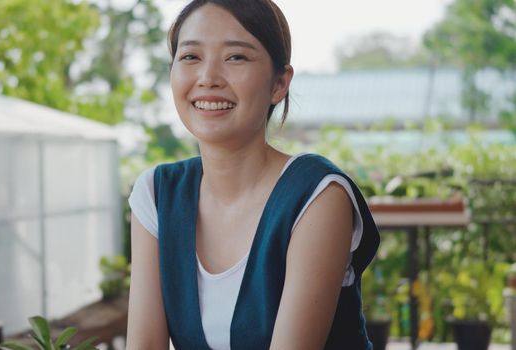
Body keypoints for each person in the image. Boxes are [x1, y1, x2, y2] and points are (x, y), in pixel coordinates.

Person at [126, 0, 380, 349]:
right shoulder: (156, 194)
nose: (208, 78)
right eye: (190, 57)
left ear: (279, 83)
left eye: (236, 57)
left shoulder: (317, 196)